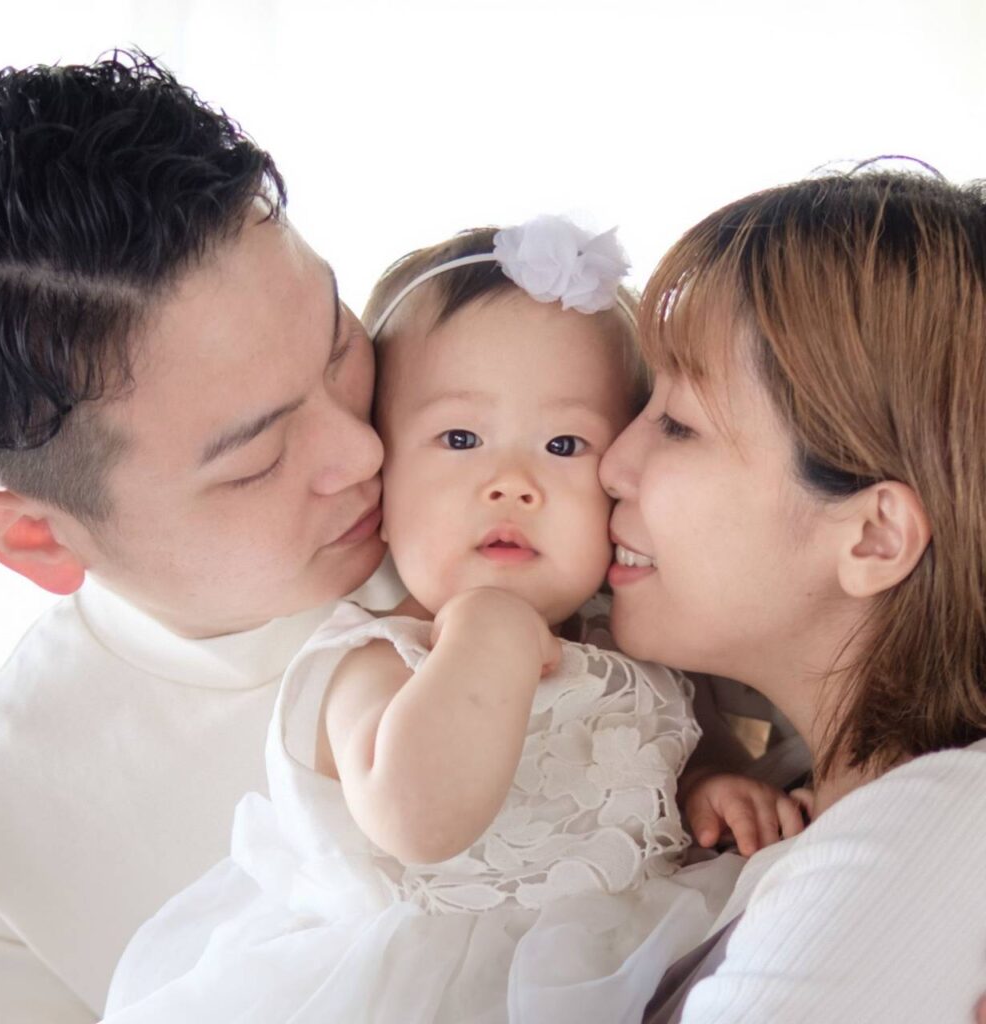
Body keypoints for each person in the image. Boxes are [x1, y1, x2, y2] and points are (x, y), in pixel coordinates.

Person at [101, 218, 803, 1024]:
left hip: (639, 956)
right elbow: (418, 818)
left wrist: (711, 784)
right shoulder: (374, 659)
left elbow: (676, 746)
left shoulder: (633, 637)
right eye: (461, 438)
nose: (512, 482)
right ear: (381, 471)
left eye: (565, 444)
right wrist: (484, 638)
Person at [0, 53, 398, 1022]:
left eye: (338, 343)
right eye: (257, 460)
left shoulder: (495, 433)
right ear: (33, 538)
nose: (364, 450)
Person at [595, 166, 986, 1021]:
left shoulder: (935, 834)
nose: (612, 464)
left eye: (678, 424)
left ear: (874, 537)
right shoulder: (799, 799)